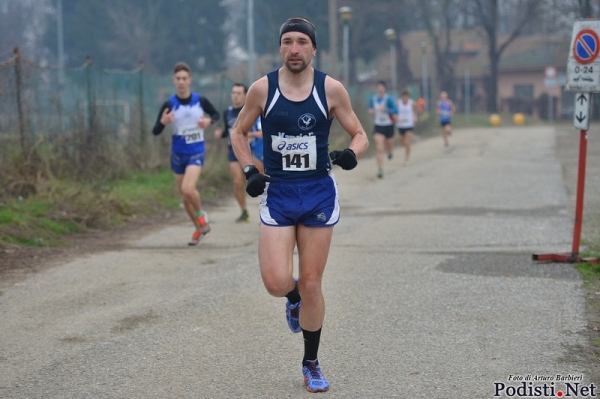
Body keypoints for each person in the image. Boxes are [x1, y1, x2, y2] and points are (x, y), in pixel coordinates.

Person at [230, 16, 369, 393]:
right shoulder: (263, 89)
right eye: (288, 41)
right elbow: (238, 132)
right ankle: (290, 298)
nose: (294, 49)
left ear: (313, 48)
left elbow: (359, 134)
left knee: (311, 282)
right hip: (279, 194)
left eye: (302, 42)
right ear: (280, 48)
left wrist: (351, 153)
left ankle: (311, 362)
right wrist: (249, 170)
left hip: (318, 193)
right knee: (277, 282)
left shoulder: (331, 88)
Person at [152, 62, 220, 245]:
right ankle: (200, 228)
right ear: (174, 81)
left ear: (190, 80)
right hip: (178, 154)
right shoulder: (169, 104)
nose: (181, 82)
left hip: (196, 152)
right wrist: (164, 122)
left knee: (188, 189)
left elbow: (216, 115)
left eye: (184, 79)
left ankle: (201, 218)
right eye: (178, 79)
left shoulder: (200, 100)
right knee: (184, 197)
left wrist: (208, 121)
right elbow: (155, 131)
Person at [214, 83, 264, 223]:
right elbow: (228, 130)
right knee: (237, 182)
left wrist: (250, 135)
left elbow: (262, 132)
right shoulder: (227, 112)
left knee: (257, 181)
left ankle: (266, 209)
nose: (235, 96)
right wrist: (221, 134)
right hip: (233, 152)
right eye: (233, 93)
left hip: (251, 151)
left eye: (239, 93)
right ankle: (244, 211)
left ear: (245, 95)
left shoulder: (252, 110)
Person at [368, 81, 398, 178]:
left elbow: (396, 110)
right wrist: (371, 111)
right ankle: (380, 170)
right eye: (379, 87)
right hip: (378, 126)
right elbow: (369, 109)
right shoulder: (373, 99)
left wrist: (386, 110)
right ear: (377, 88)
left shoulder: (388, 99)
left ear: (384, 89)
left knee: (389, 144)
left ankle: (390, 152)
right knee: (379, 148)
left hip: (389, 125)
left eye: (382, 87)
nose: (380, 89)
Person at [395, 89, 417, 166]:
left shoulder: (412, 103)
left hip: (409, 125)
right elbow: (394, 111)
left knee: (407, 142)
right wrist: (396, 117)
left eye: (406, 96)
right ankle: (408, 146)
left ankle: (406, 159)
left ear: (408, 97)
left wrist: (415, 116)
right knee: (402, 143)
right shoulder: (398, 102)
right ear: (402, 96)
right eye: (404, 96)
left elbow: (415, 110)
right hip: (401, 125)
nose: (405, 98)